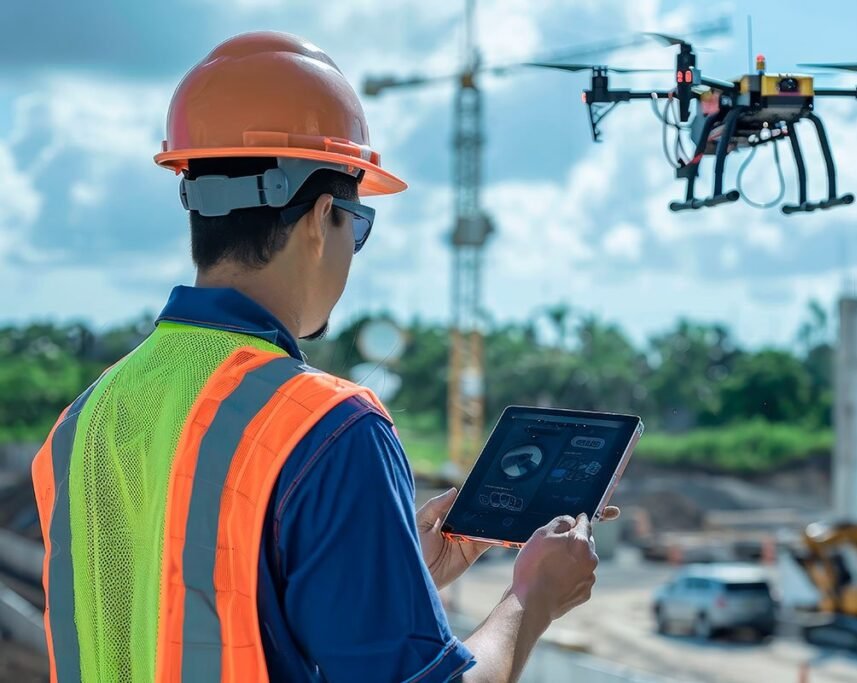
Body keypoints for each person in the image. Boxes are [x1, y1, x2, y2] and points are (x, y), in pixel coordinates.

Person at [31, 31, 616, 683]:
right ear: (318, 220)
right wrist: (531, 597)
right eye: (356, 225)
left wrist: (391, 575)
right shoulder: (330, 429)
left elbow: (185, 608)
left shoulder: (81, 424)